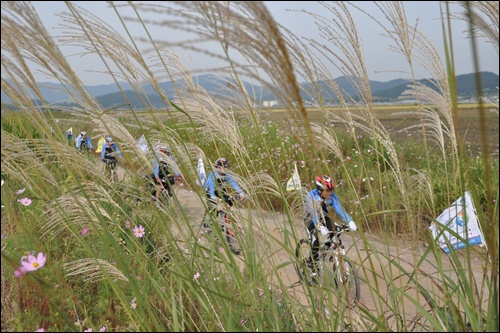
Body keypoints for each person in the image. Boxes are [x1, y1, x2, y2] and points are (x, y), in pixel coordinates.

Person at [304, 175, 356, 272]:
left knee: (337, 231)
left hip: (323, 217)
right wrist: (318, 225)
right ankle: (313, 267)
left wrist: (349, 220)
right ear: (320, 190)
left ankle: (328, 252)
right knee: (315, 242)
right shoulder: (311, 196)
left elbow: (339, 209)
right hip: (310, 218)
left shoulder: (332, 196)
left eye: (331, 189)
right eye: (328, 190)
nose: (331, 192)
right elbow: (313, 213)